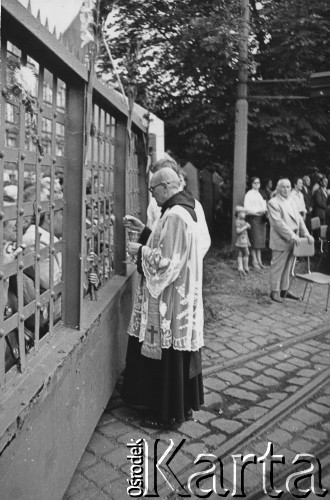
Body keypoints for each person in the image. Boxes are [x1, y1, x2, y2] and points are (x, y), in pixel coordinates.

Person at [121, 167, 204, 429]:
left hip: (171, 299)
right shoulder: (181, 209)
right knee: (177, 355)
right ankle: (182, 407)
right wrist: (146, 231)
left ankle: (167, 413)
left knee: (168, 355)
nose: (152, 196)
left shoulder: (176, 215)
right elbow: (169, 245)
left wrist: (139, 250)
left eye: (153, 190)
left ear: (166, 186)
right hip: (181, 294)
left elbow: (167, 262)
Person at [146, 157, 211, 258]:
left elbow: (203, 239)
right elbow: (152, 232)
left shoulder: (193, 205)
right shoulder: (154, 205)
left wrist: (190, 261)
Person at [267, 178, 314, 303]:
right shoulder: (273, 202)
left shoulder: (291, 200)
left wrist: (307, 234)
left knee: (288, 266)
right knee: (278, 266)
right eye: (283, 187)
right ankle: (274, 291)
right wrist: (293, 236)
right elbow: (278, 224)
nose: (286, 189)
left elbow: (298, 218)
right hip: (282, 239)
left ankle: (284, 290)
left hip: (294, 239)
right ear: (278, 188)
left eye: (288, 187)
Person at [244, 177, 267, 270]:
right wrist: (258, 211)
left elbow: (265, 205)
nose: (257, 184)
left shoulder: (261, 193)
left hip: (262, 219)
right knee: (254, 240)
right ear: (251, 184)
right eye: (254, 183)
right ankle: (254, 261)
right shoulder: (249, 194)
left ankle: (260, 261)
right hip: (253, 219)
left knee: (260, 241)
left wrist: (264, 211)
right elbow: (247, 209)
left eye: (258, 182)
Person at [234, 205, 251, 276]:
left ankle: (241, 268)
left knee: (241, 253)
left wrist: (248, 227)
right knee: (246, 253)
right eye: (243, 213)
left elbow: (247, 228)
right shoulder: (237, 221)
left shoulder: (243, 221)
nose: (245, 214)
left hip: (244, 239)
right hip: (242, 240)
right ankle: (245, 267)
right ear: (238, 213)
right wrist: (246, 226)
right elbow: (238, 231)